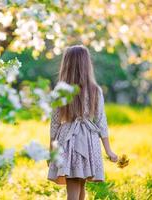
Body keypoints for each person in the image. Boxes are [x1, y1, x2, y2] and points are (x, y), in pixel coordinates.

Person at [47, 45, 118, 200]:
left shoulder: (61, 89)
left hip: (68, 142)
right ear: (87, 64)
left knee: (75, 189)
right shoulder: (95, 90)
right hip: (89, 140)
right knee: (80, 188)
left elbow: (55, 124)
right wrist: (108, 150)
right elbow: (101, 122)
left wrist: (51, 151)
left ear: (66, 64)